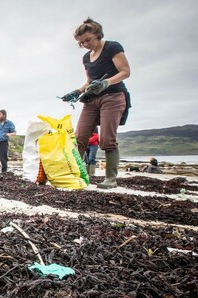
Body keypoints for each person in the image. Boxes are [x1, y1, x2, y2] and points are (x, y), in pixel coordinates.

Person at [60, 17, 131, 189]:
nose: (85, 44)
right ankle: (75, 174)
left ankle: (110, 179)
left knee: (107, 139)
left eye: (88, 40)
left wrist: (106, 83)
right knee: (79, 137)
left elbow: (125, 71)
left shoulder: (112, 47)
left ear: (98, 34)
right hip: (91, 99)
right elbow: (89, 82)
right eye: (82, 42)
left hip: (112, 96)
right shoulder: (86, 58)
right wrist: (76, 92)